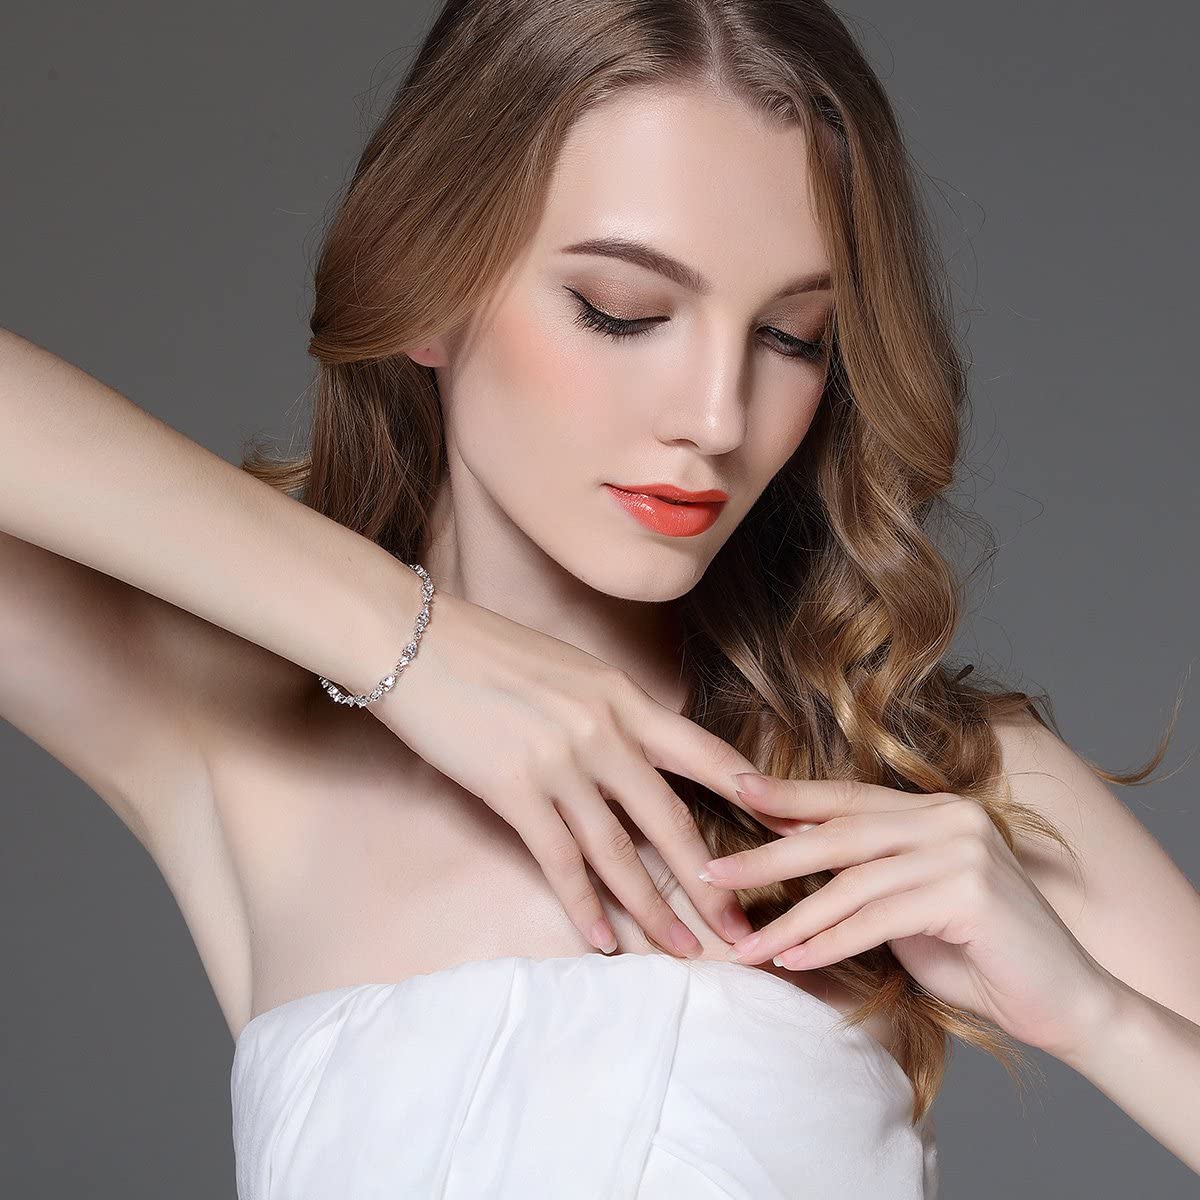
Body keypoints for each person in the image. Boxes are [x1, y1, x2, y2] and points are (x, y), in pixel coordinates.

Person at [2, 0, 1198, 1195]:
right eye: (623, 311)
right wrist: (403, 642)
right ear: (428, 285)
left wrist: (1101, 1021)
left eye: (792, 336)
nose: (716, 418)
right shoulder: (239, 746)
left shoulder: (926, 784)